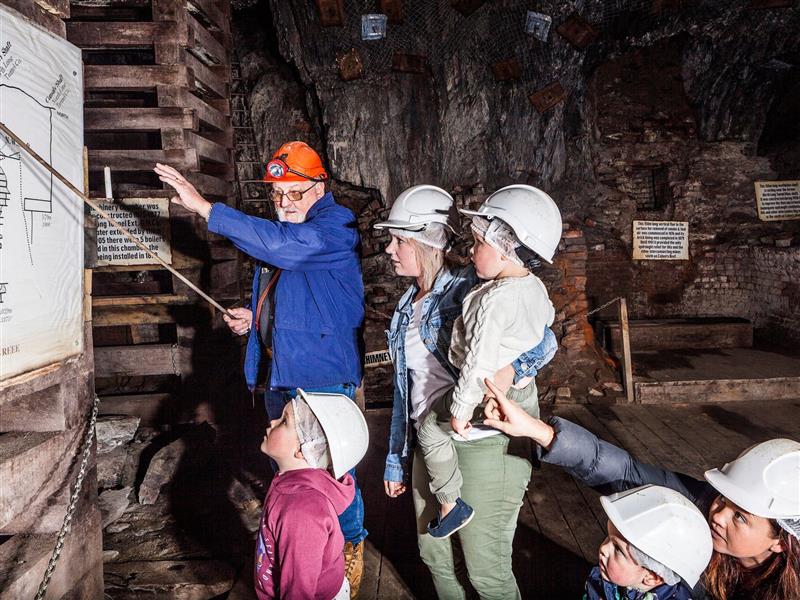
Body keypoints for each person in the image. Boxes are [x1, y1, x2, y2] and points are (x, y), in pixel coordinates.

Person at [153, 142, 368, 595]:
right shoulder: (288, 231)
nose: (284, 204)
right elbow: (298, 291)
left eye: (294, 193)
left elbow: (291, 251)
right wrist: (255, 318)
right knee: (290, 469)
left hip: (321, 376)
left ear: (319, 187)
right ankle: (291, 542)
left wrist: (205, 208)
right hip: (282, 372)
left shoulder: (335, 227)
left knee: (331, 471)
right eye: (277, 195)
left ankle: (348, 543)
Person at [374, 184, 560, 599]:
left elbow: (546, 340)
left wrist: (513, 369)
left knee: (486, 572)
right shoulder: (407, 305)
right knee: (433, 554)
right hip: (431, 440)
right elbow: (409, 389)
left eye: (398, 240)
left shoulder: (470, 287)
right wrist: (395, 457)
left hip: (482, 444)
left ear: (425, 242)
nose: (389, 249)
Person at [482, 378, 800, 600]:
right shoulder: (698, 507)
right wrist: (538, 430)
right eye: (723, 498)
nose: (717, 515)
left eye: (741, 517)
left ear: (780, 542)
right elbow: (624, 472)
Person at [416, 184, 562, 538]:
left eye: (480, 244)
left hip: (485, 390)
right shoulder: (534, 287)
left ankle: (451, 503)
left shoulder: (495, 299)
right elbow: (547, 322)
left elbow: (479, 360)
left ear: (504, 250)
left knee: (429, 430)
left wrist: (463, 408)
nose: (471, 250)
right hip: (515, 389)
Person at [256, 389, 369, 600]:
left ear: (303, 449)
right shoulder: (290, 480)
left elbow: (298, 593)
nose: (272, 421)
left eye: (283, 422)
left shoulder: (301, 512)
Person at [588, 484, 713, 599]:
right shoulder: (606, 573)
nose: (603, 548)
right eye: (608, 536)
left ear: (652, 577)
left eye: (618, 549)